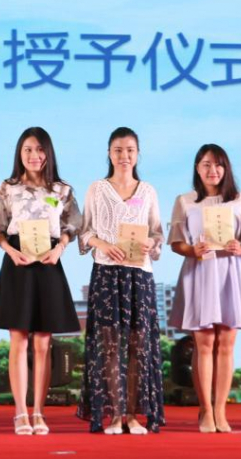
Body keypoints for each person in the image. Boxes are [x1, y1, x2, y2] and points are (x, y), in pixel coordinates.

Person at [0, 127, 81, 436]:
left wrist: (60, 248)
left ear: (48, 153)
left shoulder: (62, 190)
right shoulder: (7, 188)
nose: (34, 155)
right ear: (19, 153)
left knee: (42, 343)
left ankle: (39, 411)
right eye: (27, 149)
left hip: (49, 262)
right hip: (18, 263)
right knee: (18, 339)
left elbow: (73, 224)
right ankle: (20, 413)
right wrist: (10, 250)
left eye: (39, 149)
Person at [77, 127, 165, 435]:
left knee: (138, 346)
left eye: (130, 150)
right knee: (110, 346)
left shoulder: (148, 191)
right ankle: (115, 415)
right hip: (106, 273)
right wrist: (103, 244)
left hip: (139, 274)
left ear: (138, 154)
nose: (124, 155)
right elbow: (84, 232)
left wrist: (151, 244)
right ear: (109, 153)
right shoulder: (97, 188)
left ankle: (132, 416)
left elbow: (158, 234)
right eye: (118, 150)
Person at [169, 144, 241, 433]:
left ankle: (221, 410)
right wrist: (192, 250)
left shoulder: (239, 200)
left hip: (230, 272)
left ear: (226, 168)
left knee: (227, 343)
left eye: (219, 164)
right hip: (200, 271)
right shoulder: (185, 201)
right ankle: (205, 410)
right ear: (197, 169)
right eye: (207, 164)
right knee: (204, 343)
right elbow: (176, 242)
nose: (213, 170)